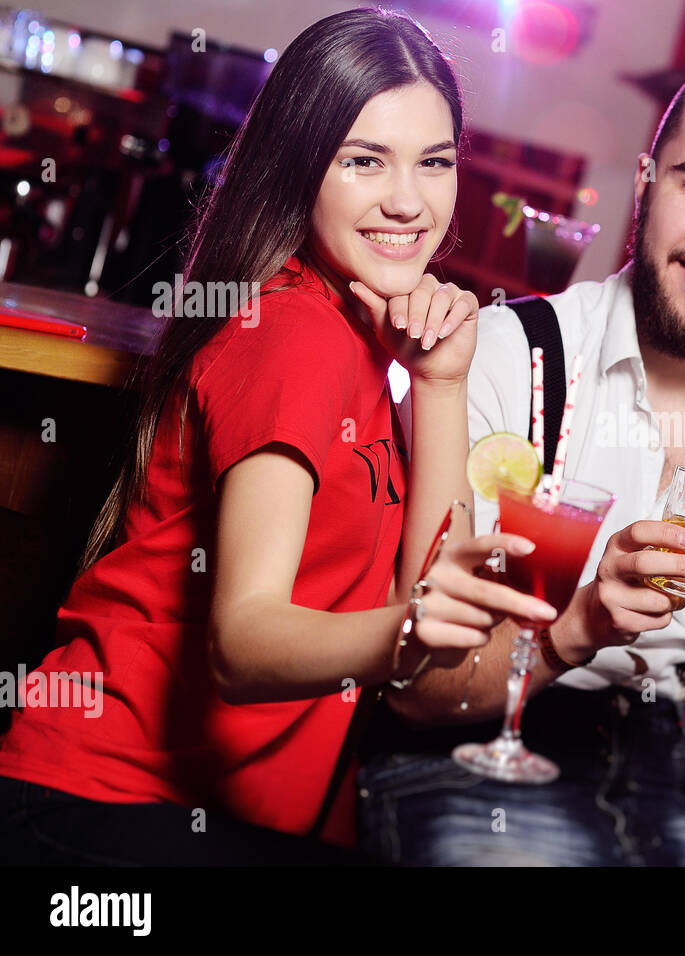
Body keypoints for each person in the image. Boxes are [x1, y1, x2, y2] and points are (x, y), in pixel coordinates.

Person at [0, 8, 555, 865]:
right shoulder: (292, 331)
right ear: (302, 170)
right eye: (364, 160)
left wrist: (444, 383)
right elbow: (244, 641)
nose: (409, 200)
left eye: (434, 162)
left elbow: (433, 586)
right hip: (105, 807)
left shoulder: (367, 336)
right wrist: (409, 632)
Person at [359, 51, 685, 867]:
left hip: (670, 761)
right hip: (473, 748)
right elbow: (417, 690)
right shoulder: (504, 359)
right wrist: (578, 625)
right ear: (647, 182)